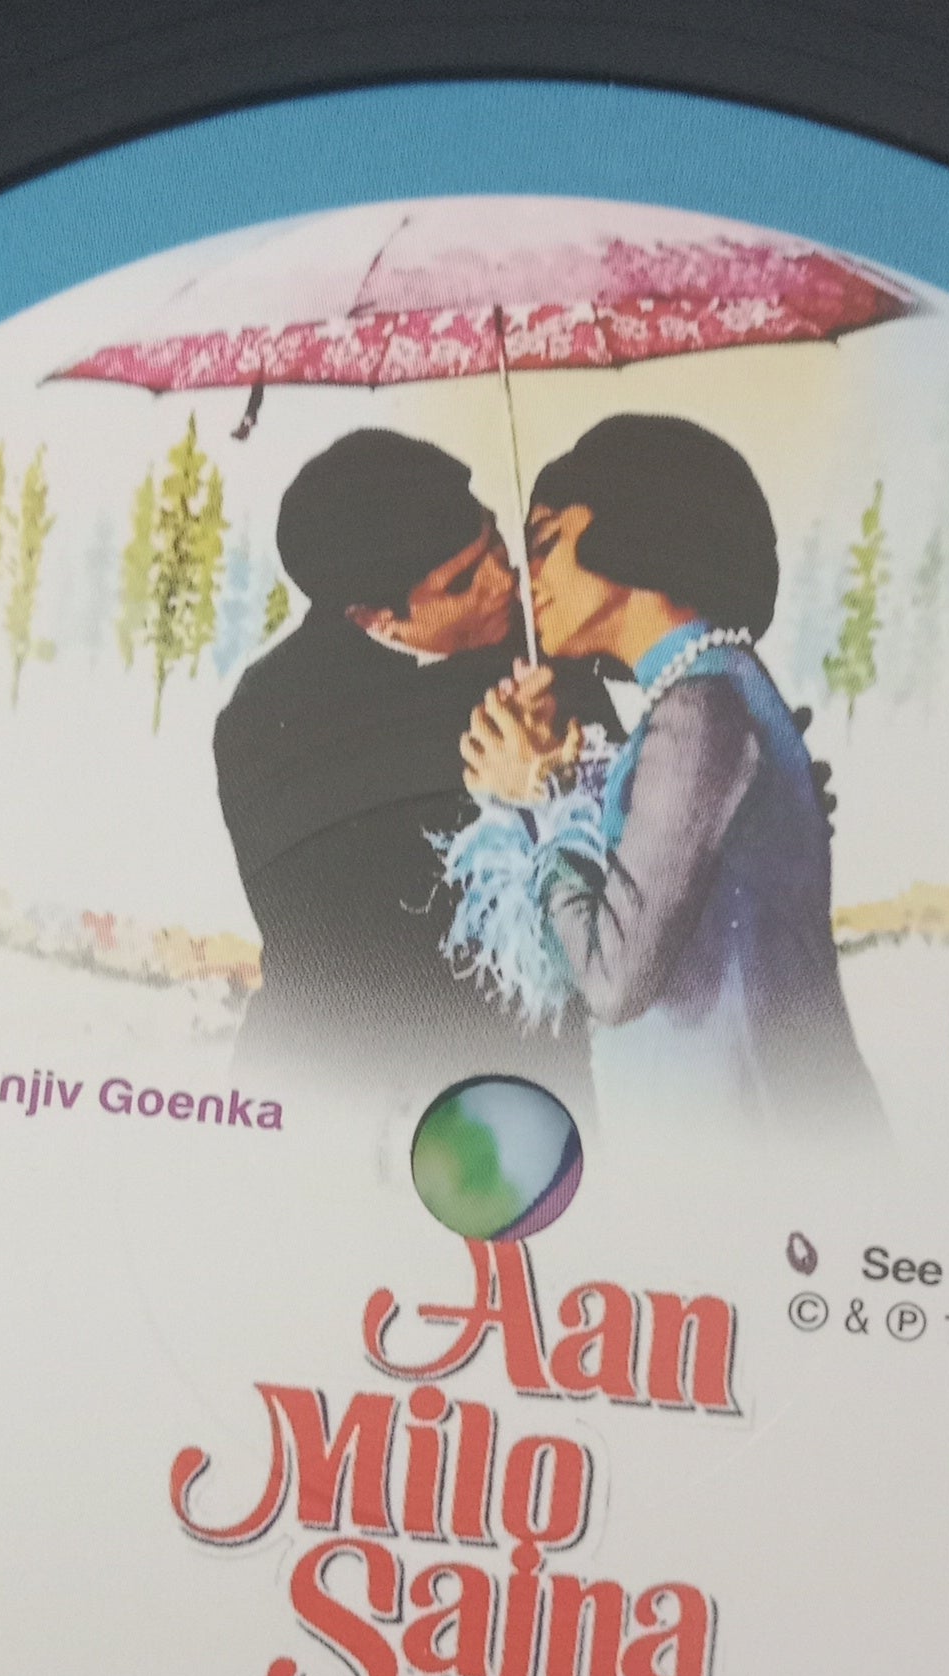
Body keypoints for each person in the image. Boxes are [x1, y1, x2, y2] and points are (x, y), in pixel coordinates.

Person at [448, 414, 880, 1140]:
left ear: (633, 528)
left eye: (546, 544)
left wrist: (539, 799)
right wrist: (561, 770)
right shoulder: (715, 690)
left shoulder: (699, 711)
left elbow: (612, 982)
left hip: (750, 1141)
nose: (530, 583)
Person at [211, 430, 613, 1104]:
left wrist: (576, 767)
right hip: (347, 1085)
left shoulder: (548, 655)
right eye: (462, 582)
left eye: (494, 542)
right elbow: (376, 955)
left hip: (536, 1083)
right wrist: (530, 799)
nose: (505, 581)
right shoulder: (271, 720)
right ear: (377, 619)